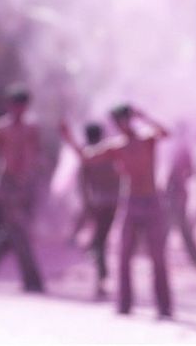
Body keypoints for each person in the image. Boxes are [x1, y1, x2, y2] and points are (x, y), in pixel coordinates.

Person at [61, 104, 172, 318]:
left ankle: (164, 307)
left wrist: (145, 116)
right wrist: (69, 139)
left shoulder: (147, 139)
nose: (124, 125)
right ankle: (124, 305)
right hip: (130, 201)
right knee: (123, 254)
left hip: (151, 202)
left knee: (157, 256)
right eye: (119, 121)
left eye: (127, 119)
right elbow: (87, 157)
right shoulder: (117, 147)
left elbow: (166, 133)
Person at [0, 84, 44, 292]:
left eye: (23, 105)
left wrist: (35, 179)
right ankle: (33, 280)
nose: (19, 109)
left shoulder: (32, 128)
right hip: (6, 182)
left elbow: (37, 154)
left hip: (25, 183)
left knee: (11, 231)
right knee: (19, 230)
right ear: (9, 105)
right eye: (16, 105)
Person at [65, 122, 121, 298]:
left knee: (99, 241)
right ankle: (101, 276)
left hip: (98, 202)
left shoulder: (89, 154)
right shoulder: (108, 152)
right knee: (100, 239)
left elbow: (83, 182)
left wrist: (86, 203)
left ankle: (101, 277)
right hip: (112, 201)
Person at [164, 123, 196, 270]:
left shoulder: (180, 149)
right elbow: (191, 172)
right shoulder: (180, 149)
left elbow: (190, 172)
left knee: (180, 227)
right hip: (176, 193)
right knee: (170, 226)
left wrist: (177, 181)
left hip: (177, 194)